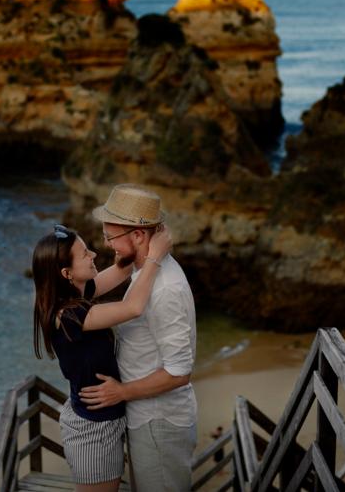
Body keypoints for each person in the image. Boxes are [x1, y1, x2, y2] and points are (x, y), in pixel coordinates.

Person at [32, 221, 172, 492]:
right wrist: (155, 256)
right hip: (93, 432)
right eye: (85, 254)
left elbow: (120, 271)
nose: (94, 254)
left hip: (100, 418)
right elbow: (133, 307)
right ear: (66, 272)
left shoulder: (74, 295)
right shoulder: (69, 315)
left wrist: (137, 247)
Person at [79, 184, 198, 492]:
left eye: (111, 236)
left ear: (139, 236)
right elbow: (96, 286)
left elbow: (179, 372)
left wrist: (121, 392)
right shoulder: (144, 269)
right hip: (146, 417)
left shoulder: (166, 288)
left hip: (158, 421)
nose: (106, 245)